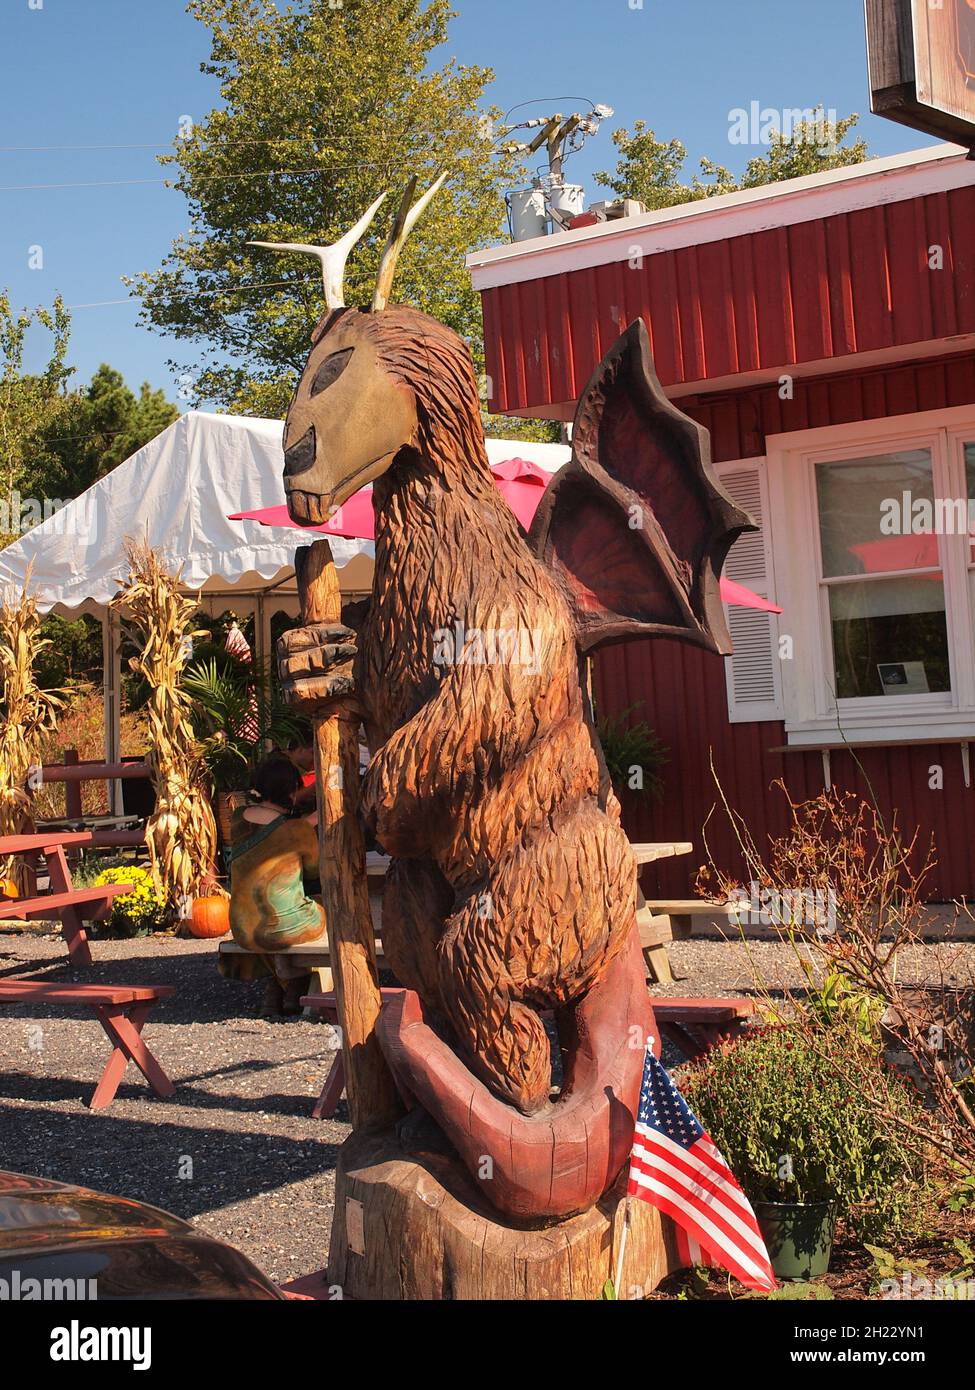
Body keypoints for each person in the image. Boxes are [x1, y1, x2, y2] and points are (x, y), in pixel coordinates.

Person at [226, 753, 325, 1017]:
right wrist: (311, 821)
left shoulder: (237, 819)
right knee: (324, 908)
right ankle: (297, 983)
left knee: (271, 915)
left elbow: (272, 824)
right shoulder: (297, 830)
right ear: (291, 792)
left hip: (242, 926)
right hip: (282, 928)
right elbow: (315, 869)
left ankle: (276, 987)